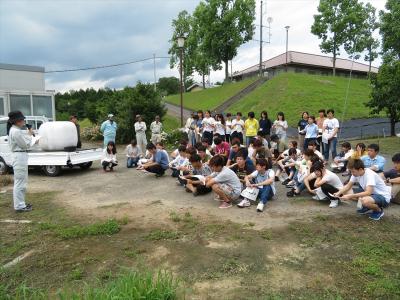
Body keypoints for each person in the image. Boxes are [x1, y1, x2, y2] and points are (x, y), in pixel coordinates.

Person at [8, 111, 39, 212]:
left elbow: (24, 141)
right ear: (17, 121)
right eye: (22, 119)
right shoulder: (15, 131)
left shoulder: (15, 130)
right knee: (20, 182)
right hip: (19, 155)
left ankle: (21, 203)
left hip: (20, 155)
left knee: (21, 181)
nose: (23, 121)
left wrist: (29, 136)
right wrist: (31, 137)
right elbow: (24, 145)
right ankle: (19, 206)